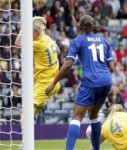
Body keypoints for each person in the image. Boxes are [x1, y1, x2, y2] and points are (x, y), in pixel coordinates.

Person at [45, 15, 114, 150]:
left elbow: (67, 65)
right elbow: (111, 67)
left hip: (91, 81)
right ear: (93, 26)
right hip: (106, 81)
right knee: (94, 115)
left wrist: (53, 83)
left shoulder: (78, 41)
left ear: (80, 26)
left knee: (77, 116)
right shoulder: (104, 41)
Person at [15, 16, 61, 117]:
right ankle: (40, 105)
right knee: (33, 113)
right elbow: (58, 51)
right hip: (55, 83)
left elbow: (17, 43)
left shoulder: (37, 44)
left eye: (30, 32)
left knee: (24, 116)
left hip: (45, 85)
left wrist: (24, 26)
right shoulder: (47, 38)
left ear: (35, 31)